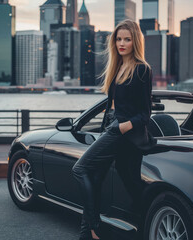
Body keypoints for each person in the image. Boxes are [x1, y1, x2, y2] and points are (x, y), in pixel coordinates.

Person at [72, 19, 157, 240]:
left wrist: (121, 127)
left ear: (135, 41)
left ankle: (94, 225)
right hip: (110, 125)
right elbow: (112, 104)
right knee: (96, 177)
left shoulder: (142, 69)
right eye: (118, 39)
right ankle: (88, 234)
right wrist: (109, 125)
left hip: (120, 130)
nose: (122, 43)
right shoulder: (117, 66)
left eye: (127, 39)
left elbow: (145, 113)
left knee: (80, 169)